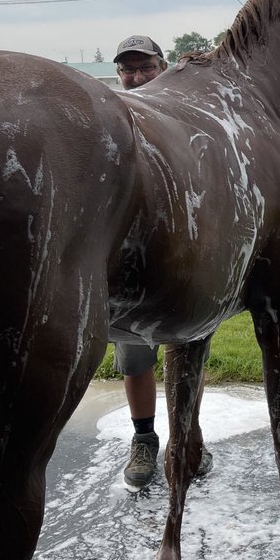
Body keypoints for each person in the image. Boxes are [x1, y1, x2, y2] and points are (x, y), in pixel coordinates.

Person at [112, 35, 214, 488]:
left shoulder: (181, 118)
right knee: (135, 358)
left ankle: (188, 436)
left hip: (180, 260)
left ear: (163, 67)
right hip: (127, 267)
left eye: (144, 68)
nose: (136, 77)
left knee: (188, 348)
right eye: (128, 70)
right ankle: (144, 440)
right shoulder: (110, 120)